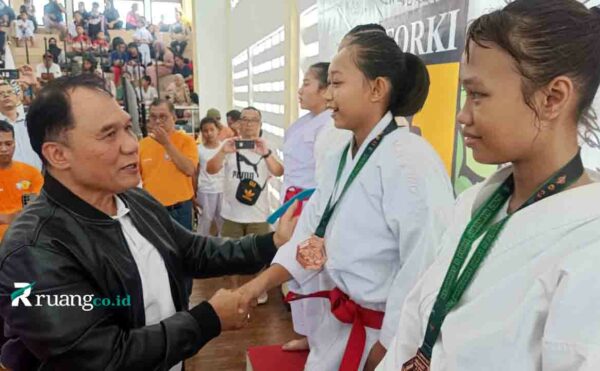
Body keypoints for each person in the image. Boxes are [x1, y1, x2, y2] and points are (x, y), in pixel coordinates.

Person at [0, 74, 297, 369]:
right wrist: (208, 319)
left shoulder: (135, 200)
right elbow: (101, 358)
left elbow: (193, 251)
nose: (131, 145)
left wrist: (272, 242)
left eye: (128, 128)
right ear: (58, 154)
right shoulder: (31, 250)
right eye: (108, 134)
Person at [378, 2, 600, 370]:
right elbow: (416, 328)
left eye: (478, 95)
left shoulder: (588, 253)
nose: (463, 115)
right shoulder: (473, 206)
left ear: (552, 98)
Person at [238, 25, 455, 371]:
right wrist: (254, 286)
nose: (327, 97)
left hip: (384, 335)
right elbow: (310, 235)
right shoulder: (341, 151)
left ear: (377, 88)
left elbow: (423, 267)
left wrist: (388, 347)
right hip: (340, 322)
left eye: (337, 84)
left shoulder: (411, 161)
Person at [278, 62, 335, 352]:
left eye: (307, 83)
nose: (300, 90)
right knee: (296, 272)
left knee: (312, 273)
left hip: (312, 204)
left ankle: (318, 336)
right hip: (293, 201)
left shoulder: (331, 125)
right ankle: (305, 332)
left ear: (326, 91)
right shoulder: (304, 122)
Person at [0, 120, 43, 242]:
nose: (4, 149)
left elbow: (36, 210)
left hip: (27, 240)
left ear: (14, 143)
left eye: (8, 143)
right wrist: (8, 217)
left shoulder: (31, 173)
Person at [0, 80, 41, 170]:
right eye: (1, 93)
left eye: (9, 92)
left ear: (18, 97)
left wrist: (35, 86)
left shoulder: (32, 120)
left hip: (38, 177)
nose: (6, 95)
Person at [196, 117, 225, 236]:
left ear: (218, 130)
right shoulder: (198, 149)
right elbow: (195, 172)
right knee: (205, 222)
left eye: (212, 130)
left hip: (223, 190)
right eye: (205, 131)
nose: (209, 133)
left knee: (223, 222)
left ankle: (224, 249)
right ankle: (201, 250)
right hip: (206, 190)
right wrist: (194, 193)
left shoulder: (225, 147)